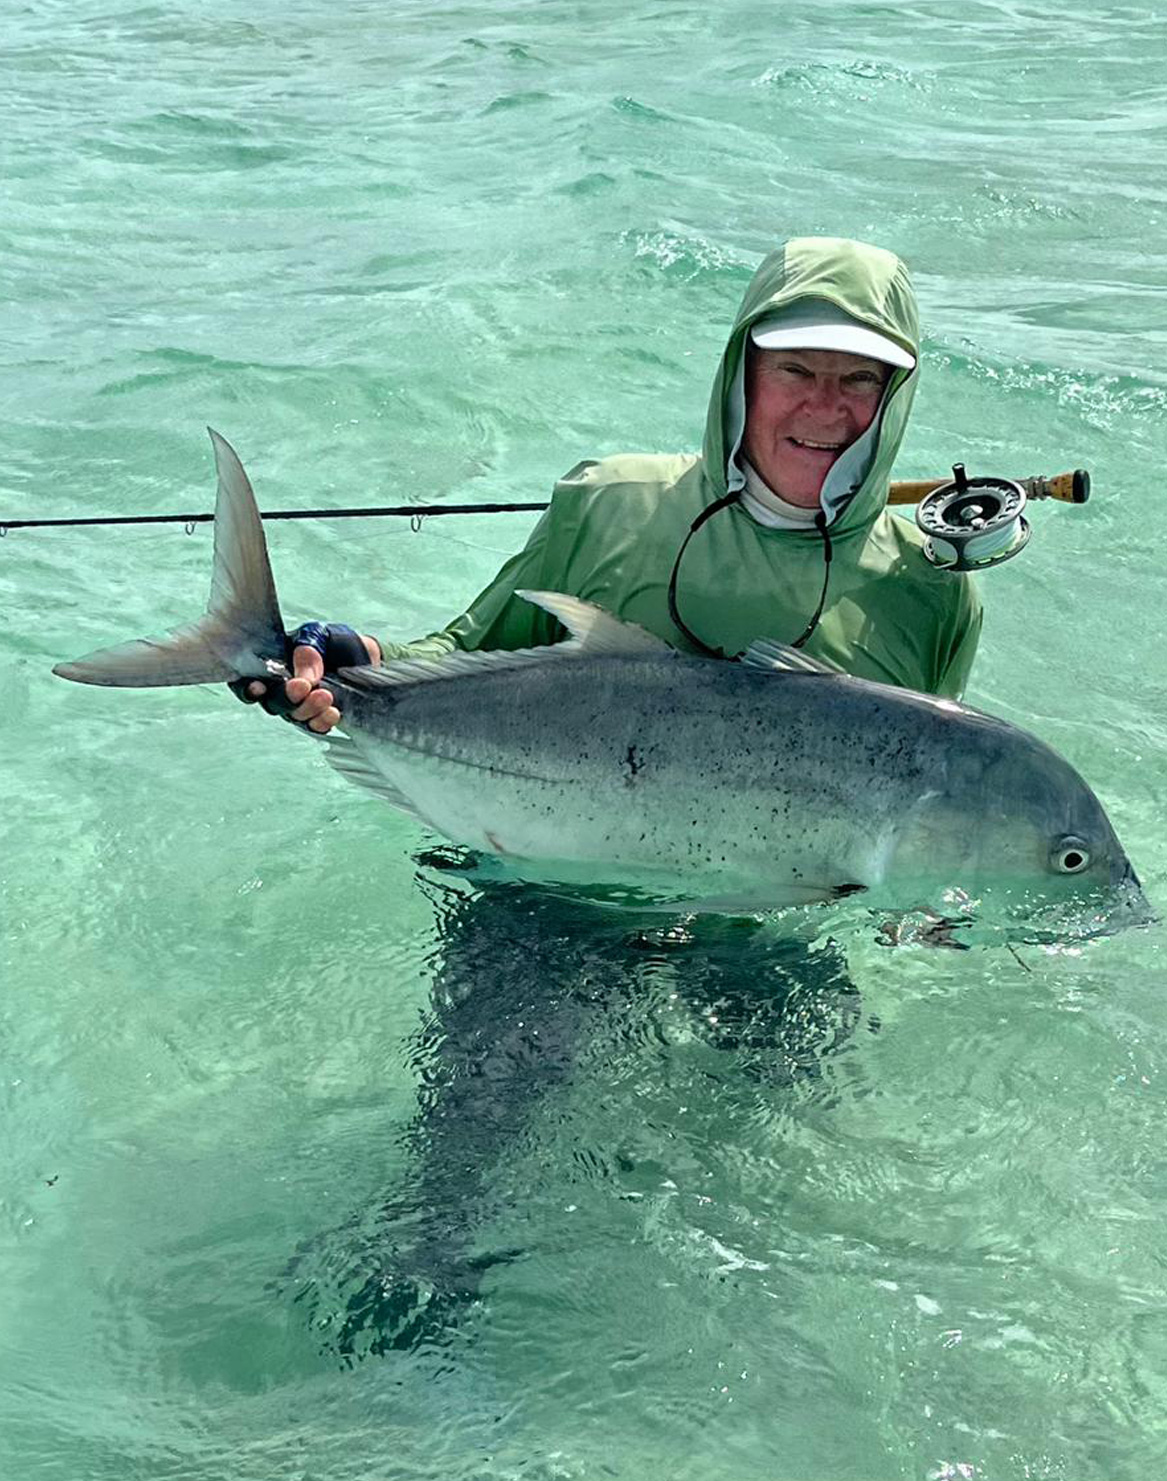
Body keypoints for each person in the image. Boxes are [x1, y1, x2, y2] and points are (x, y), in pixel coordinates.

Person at [239, 235, 982, 732]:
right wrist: (350, 661)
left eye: (859, 379)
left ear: (896, 396)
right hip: (538, 888)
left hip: (773, 917)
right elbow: (464, 654)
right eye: (794, 369)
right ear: (740, 376)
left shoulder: (930, 588)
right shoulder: (609, 504)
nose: (824, 407)